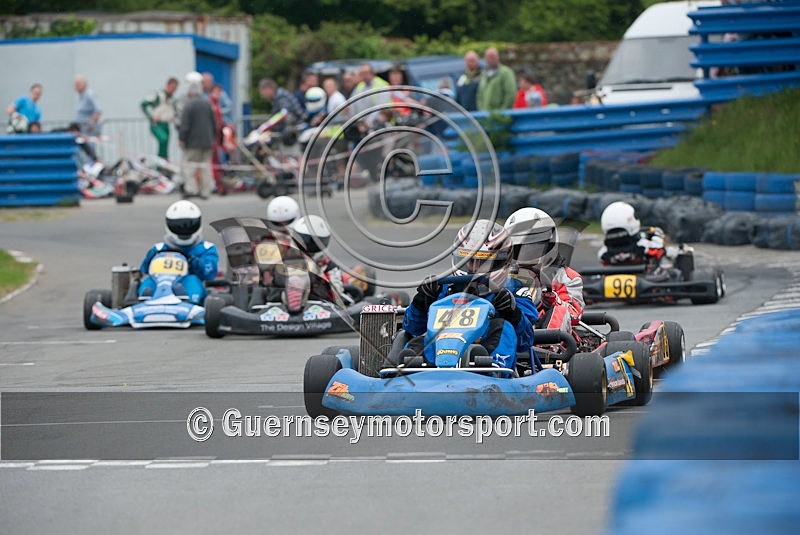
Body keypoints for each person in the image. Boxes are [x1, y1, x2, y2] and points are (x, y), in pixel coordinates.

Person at [401, 220, 534, 369]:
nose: (475, 268)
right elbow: (412, 327)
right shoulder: (443, 288)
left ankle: (494, 371)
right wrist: (420, 303)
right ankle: (400, 376)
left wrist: (512, 312)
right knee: (411, 340)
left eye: (483, 262)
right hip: (442, 353)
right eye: (470, 261)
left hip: (485, 357)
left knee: (503, 327)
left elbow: (526, 341)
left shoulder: (515, 291)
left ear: (501, 262)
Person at [504, 208, 584, 332]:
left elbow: (574, 314)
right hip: (513, 327)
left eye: (534, 247)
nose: (527, 253)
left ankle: (548, 347)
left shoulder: (566, 277)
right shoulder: (501, 276)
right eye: (520, 248)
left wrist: (552, 299)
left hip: (547, 333)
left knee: (560, 311)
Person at [137, 200, 219, 305]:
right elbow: (144, 269)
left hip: (188, 284)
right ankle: (142, 303)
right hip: (159, 283)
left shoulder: (206, 248)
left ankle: (189, 304)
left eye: (189, 225)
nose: (184, 229)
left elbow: (209, 274)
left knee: (192, 280)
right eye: (178, 226)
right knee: (148, 282)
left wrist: (193, 262)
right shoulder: (158, 249)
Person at [598, 201, 669, 280]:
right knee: (673, 272)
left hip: (610, 284)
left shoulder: (603, 252)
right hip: (645, 282)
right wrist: (657, 235)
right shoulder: (643, 245)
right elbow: (659, 250)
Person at [288, 214, 347, 302]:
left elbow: (336, 292)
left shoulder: (328, 266)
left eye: (312, 242)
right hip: (282, 303)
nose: (306, 246)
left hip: (317, 306)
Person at [178, 80, 217, 199]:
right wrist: (212, 137)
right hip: (207, 141)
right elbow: (214, 123)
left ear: (190, 92)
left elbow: (185, 124)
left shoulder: (189, 105)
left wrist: (181, 138)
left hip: (193, 142)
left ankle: (192, 189)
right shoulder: (207, 104)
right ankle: (206, 191)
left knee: (189, 166)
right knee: (205, 167)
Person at [141, 77, 179, 160]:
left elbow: (175, 113)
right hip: (157, 124)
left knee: (165, 144)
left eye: (175, 88)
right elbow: (143, 104)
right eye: (172, 88)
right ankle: (160, 162)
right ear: (168, 85)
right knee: (163, 139)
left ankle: (164, 162)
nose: (173, 90)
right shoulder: (157, 95)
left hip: (166, 124)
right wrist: (151, 117)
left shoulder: (173, 99)